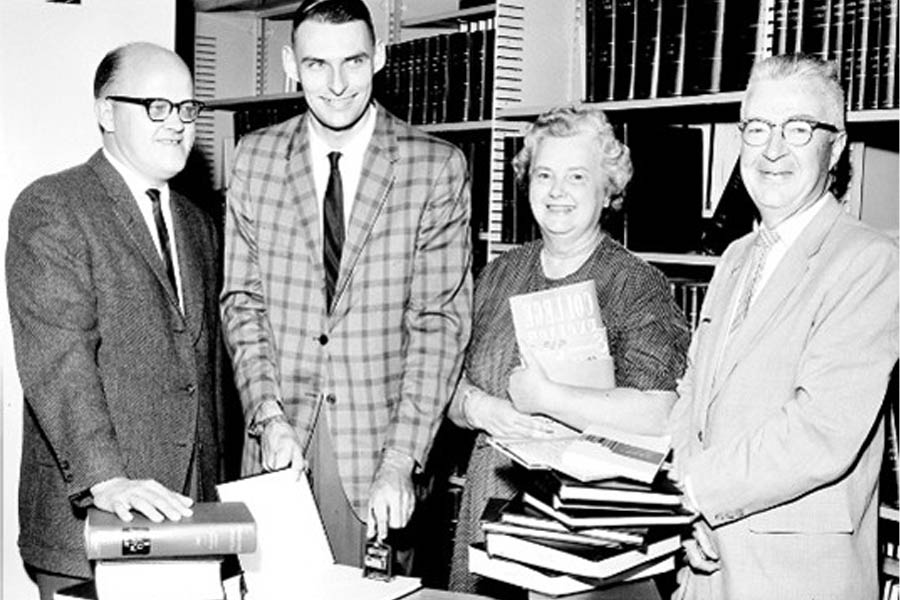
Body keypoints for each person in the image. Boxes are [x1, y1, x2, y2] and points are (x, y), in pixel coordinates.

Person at [220, 0, 472, 569]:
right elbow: (243, 303)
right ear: (290, 63)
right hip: (278, 447)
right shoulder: (254, 159)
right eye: (316, 65)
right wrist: (266, 416)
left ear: (380, 57)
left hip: (380, 459)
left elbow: (438, 325)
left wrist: (403, 457)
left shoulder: (434, 166)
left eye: (353, 62)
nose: (336, 85)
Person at [668, 54, 899, 600]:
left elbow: (821, 430)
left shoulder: (869, 260)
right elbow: (692, 396)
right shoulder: (734, 257)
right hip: (705, 561)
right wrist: (681, 512)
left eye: (797, 129)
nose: (772, 150)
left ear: (835, 146)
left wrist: (693, 490)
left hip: (799, 579)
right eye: (757, 128)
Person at [6, 42, 224, 599]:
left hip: (186, 526)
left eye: (186, 108)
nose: (177, 123)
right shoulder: (53, 205)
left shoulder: (198, 224)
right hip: (92, 533)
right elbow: (60, 359)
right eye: (157, 106)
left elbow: (203, 376)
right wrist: (107, 478)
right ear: (106, 111)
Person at [446, 105, 691, 598]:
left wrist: (546, 396)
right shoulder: (498, 274)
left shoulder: (635, 284)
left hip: (582, 525)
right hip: (488, 504)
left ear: (609, 190)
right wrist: (479, 407)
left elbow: (660, 414)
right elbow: (448, 387)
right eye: (544, 175)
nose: (557, 191)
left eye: (577, 176)